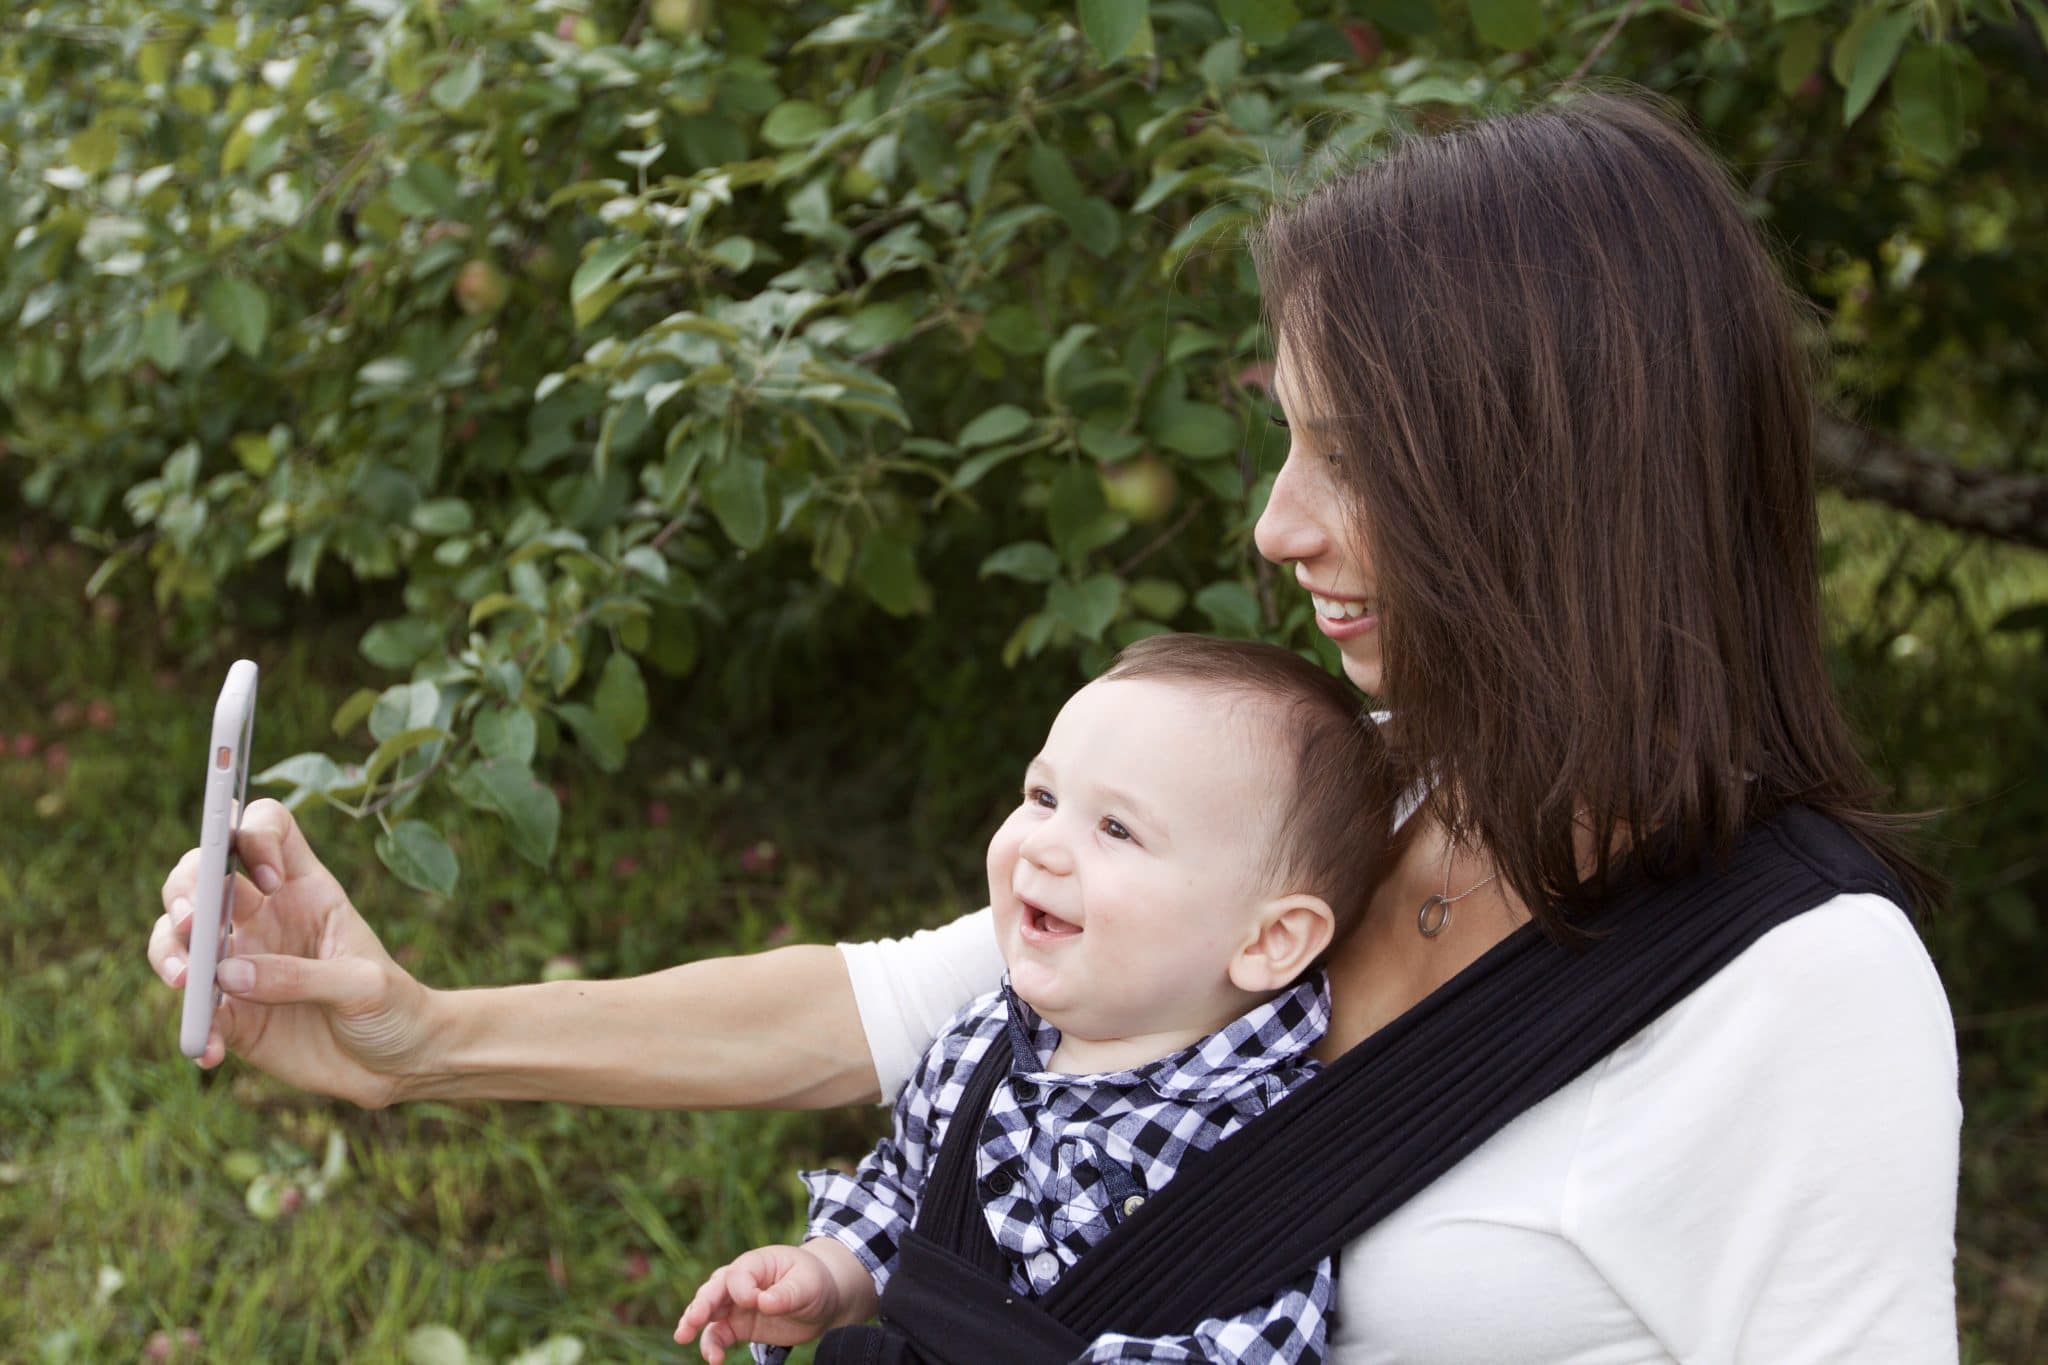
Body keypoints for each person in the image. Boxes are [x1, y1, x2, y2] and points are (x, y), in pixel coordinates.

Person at [150, 88, 1960, 1360]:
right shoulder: (1378, 787)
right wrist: (414, 1040)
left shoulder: (1796, 995)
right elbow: (890, 1004)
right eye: (1283, 440)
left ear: (1542, 479)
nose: (1273, 524)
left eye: (1346, 457)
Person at [674, 633, 1403, 1364]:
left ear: (1270, 940)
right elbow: (902, 1191)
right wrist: (832, 1274)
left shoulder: (1270, 1145)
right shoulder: (980, 1042)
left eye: (1116, 828)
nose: (1043, 845)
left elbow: (1258, 1346)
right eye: (1043, 796)